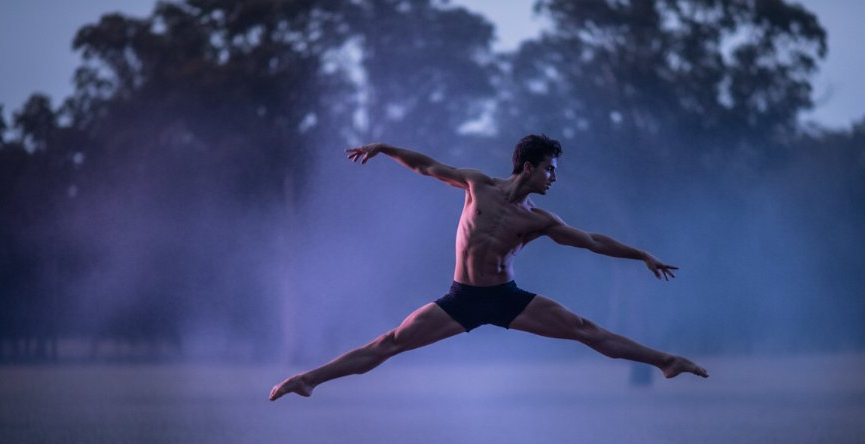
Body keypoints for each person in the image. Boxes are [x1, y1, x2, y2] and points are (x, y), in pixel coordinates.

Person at [269, 135, 707, 401]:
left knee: (585, 329)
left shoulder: (540, 220)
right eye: (550, 170)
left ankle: (666, 362)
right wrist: (384, 148)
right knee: (388, 343)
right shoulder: (477, 184)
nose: (554, 178)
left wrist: (642, 255)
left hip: (505, 299)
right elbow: (426, 165)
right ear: (529, 167)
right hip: (462, 298)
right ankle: (308, 380)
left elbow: (592, 241)